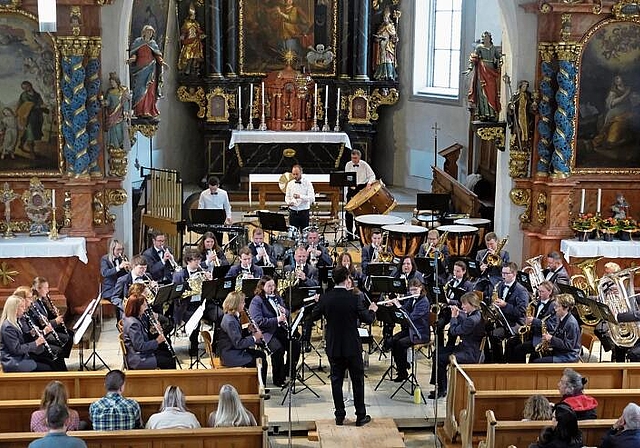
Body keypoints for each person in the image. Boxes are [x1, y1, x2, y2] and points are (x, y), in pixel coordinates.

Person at [311, 266, 378, 427]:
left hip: (334, 345)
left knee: (336, 380)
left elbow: (313, 316)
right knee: (357, 381)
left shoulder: (326, 298)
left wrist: (318, 303)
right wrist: (372, 310)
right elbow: (368, 319)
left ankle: (339, 415)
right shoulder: (354, 298)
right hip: (352, 345)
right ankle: (360, 416)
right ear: (346, 278)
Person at [430, 292, 485, 399]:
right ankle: (439, 384)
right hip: (466, 348)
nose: (462, 306)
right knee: (437, 352)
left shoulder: (472, 320)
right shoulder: (475, 314)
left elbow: (454, 331)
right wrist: (459, 315)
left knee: (440, 359)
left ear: (472, 304)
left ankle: (442, 389)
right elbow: (465, 322)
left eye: (464, 304)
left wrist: (454, 317)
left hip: (470, 353)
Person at [249, 276, 300, 387]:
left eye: (273, 285)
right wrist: (277, 319)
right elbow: (258, 321)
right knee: (278, 349)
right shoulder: (257, 301)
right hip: (266, 333)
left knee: (295, 345)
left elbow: (286, 311)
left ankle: (287, 372)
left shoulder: (277, 297)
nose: (272, 288)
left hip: (280, 329)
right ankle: (278, 379)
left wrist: (284, 312)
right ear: (262, 287)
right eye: (269, 286)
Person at [218, 291, 268, 385]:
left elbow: (236, 335)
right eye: (243, 302)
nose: (244, 304)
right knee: (262, 362)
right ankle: (259, 388)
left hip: (233, 350)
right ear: (236, 304)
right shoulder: (230, 321)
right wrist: (254, 338)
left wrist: (248, 330)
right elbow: (238, 343)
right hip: (231, 355)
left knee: (261, 354)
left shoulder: (232, 316)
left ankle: (257, 384)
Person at [505, 280, 558, 363]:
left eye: (542, 292)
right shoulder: (537, 302)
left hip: (541, 338)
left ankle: (518, 372)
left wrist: (534, 321)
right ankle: (506, 368)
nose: (539, 294)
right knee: (510, 342)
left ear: (550, 292)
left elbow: (552, 326)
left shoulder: (554, 306)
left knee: (519, 349)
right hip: (532, 333)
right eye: (538, 291)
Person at [173, 247, 213, 356]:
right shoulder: (179, 275)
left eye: (199, 260)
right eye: (195, 260)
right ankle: (193, 346)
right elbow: (176, 295)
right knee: (195, 319)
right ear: (188, 261)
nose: (198, 263)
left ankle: (215, 346)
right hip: (186, 305)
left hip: (202, 304)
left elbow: (209, 291)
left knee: (220, 315)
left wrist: (209, 282)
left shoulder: (202, 272)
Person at [486, 262, 529, 363]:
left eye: (506, 274)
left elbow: (521, 312)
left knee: (494, 335)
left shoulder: (521, 291)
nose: (503, 276)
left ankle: (500, 361)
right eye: (502, 273)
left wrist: (505, 305)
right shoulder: (500, 285)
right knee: (485, 329)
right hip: (503, 319)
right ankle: (490, 360)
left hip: (515, 322)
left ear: (514, 274)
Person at [389, 279, 430, 382]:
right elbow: (404, 309)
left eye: (415, 290)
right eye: (411, 290)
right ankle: (402, 367)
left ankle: (403, 372)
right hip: (411, 330)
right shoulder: (412, 299)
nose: (413, 292)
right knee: (393, 341)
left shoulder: (424, 302)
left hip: (420, 333)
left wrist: (398, 305)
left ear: (421, 288)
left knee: (400, 344)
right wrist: (394, 306)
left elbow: (410, 317)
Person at [122, 292, 175, 370]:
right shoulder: (133, 324)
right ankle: (167, 381)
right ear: (137, 307)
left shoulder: (136, 316)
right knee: (170, 362)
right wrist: (157, 341)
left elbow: (142, 333)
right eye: (143, 305)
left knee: (167, 354)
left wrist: (153, 329)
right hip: (139, 359)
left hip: (142, 353)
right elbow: (140, 346)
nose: (146, 306)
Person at [0, 295, 51, 372]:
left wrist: (31, 334)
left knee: (48, 361)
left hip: (21, 357)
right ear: (14, 309)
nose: (24, 310)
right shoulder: (8, 327)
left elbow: (20, 339)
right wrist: (36, 343)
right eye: (22, 307)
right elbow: (16, 349)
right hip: (14, 361)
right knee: (46, 368)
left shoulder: (16, 321)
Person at [31, 277, 73, 359]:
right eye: (46, 288)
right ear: (38, 289)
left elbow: (47, 316)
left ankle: (62, 357)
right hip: (43, 332)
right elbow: (42, 323)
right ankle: (60, 358)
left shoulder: (42, 300)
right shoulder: (35, 304)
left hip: (49, 328)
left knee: (70, 334)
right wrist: (55, 321)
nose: (48, 290)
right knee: (67, 338)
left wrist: (54, 313)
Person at [128, 25, 164, 120]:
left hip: (151, 69)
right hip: (140, 69)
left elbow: (157, 55)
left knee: (150, 90)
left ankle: (148, 110)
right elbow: (134, 54)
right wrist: (132, 59)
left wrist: (162, 62)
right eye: (148, 31)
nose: (149, 33)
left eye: (151, 32)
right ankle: (139, 110)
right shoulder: (138, 42)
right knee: (140, 88)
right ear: (144, 32)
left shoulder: (153, 44)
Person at [532, 294, 581, 364]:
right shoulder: (561, 317)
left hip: (568, 356)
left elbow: (569, 345)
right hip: (560, 351)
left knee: (536, 362)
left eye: (557, 306)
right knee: (534, 355)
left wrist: (551, 339)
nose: (555, 309)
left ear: (566, 308)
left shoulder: (571, 324)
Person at [592, 75, 636, 150]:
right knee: (609, 126)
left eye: (618, 78)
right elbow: (612, 103)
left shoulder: (628, 88)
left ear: (623, 78)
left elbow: (633, 100)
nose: (617, 80)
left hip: (626, 110)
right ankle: (604, 140)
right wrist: (626, 94)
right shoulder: (613, 91)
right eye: (616, 78)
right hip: (615, 112)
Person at [436, 260, 474, 347]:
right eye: (454, 270)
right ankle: (440, 348)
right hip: (448, 309)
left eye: (458, 271)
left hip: (459, 311)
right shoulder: (450, 279)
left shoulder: (468, 285)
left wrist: (449, 301)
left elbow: (465, 302)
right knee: (438, 325)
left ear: (464, 271)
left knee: (451, 331)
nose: (455, 273)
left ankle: (450, 349)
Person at [466, 31, 502, 122]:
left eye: (486, 37)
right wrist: (470, 69)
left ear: (490, 38)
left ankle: (492, 113)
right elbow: (474, 58)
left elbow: (498, 57)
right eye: (483, 37)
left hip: (491, 72)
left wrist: (500, 62)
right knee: (482, 93)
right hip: (482, 71)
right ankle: (483, 114)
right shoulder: (479, 48)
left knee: (491, 93)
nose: (484, 39)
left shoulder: (493, 48)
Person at [344, 149, 376, 239]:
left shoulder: (364, 165)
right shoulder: (348, 164)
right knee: (349, 212)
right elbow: (347, 176)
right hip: (351, 189)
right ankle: (349, 234)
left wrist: (369, 183)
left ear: (359, 157)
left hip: (361, 189)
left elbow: (372, 175)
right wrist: (350, 184)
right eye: (352, 158)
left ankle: (358, 233)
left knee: (360, 212)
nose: (354, 160)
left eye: (355, 158)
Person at [100, 239, 131, 320]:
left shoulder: (123, 258)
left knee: (131, 299)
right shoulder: (105, 259)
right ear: (112, 249)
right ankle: (120, 323)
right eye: (118, 249)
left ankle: (126, 322)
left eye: (121, 249)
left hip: (121, 288)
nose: (120, 252)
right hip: (110, 289)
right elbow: (105, 273)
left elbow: (125, 276)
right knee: (120, 302)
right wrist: (119, 267)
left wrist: (129, 269)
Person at [17, 80, 46, 158]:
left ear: (30, 85)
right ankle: (32, 153)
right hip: (28, 116)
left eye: (26, 86)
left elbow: (41, 103)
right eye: (24, 88)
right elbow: (28, 105)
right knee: (30, 134)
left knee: (30, 133)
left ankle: (21, 143)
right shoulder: (24, 95)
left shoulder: (37, 95)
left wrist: (42, 107)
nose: (26, 89)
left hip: (36, 116)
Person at [102, 72, 130, 151]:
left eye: (113, 82)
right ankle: (114, 145)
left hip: (120, 114)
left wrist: (126, 111)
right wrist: (103, 102)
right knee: (113, 130)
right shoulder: (110, 92)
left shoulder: (122, 91)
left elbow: (125, 102)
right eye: (111, 82)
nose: (112, 84)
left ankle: (120, 145)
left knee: (119, 130)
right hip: (111, 113)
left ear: (117, 82)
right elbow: (108, 102)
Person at [507, 80, 535, 151]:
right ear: (520, 87)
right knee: (518, 130)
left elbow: (530, 106)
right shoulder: (516, 95)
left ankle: (524, 144)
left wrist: (533, 107)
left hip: (525, 116)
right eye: (523, 86)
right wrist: (511, 107)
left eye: (526, 86)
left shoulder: (528, 95)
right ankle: (517, 144)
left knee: (526, 131)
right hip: (518, 115)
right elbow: (510, 105)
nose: (525, 88)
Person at [177, 4, 206, 76]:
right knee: (187, 56)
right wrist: (182, 36)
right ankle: (187, 69)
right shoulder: (186, 23)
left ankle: (195, 70)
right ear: (190, 15)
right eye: (193, 15)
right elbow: (184, 32)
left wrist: (201, 35)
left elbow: (199, 31)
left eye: (195, 15)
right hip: (189, 42)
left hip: (196, 42)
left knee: (195, 57)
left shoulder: (196, 23)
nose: (194, 16)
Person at [285, 164, 314, 230]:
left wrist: (300, 196)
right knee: (293, 234)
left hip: (304, 212)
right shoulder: (290, 184)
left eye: (297, 174)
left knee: (305, 233)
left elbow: (312, 198)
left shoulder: (307, 183)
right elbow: (287, 196)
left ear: (301, 173)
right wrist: (289, 202)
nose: (295, 176)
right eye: (293, 174)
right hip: (293, 212)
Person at [372, 8, 398, 81]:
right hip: (382, 45)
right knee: (382, 60)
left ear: (388, 18)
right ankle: (382, 74)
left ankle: (390, 74)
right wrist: (378, 38)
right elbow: (377, 38)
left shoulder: (391, 27)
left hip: (388, 46)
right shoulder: (381, 27)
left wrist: (395, 39)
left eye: (386, 18)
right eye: (384, 18)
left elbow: (394, 37)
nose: (385, 19)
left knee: (388, 60)